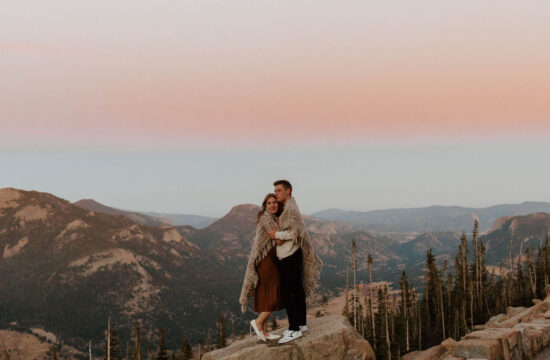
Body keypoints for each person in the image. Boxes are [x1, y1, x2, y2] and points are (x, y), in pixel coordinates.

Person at [268, 179, 323, 344]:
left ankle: (294, 329)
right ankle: (301, 323)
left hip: (289, 256)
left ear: (288, 191)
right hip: (294, 254)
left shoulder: (290, 209)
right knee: (298, 290)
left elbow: (294, 233)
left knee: (287, 292)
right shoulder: (290, 207)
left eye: (279, 190)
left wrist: (277, 235)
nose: (276, 194)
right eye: (275, 191)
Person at [239, 193, 284, 341]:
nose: (272, 205)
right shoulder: (267, 219)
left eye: (274, 202)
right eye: (269, 203)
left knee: (266, 294)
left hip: (268, 260)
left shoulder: (271, 219)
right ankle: (258, 322)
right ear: (265, 206)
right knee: (274, 293)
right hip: (266, 262)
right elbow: (278, 241)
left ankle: (264, 332)